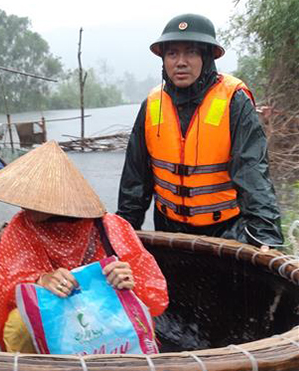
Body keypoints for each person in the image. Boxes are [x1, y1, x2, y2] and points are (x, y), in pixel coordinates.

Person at [0, 141, 168, 353]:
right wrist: (40, 280)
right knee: (17, 325)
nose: (23, 205)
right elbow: (5, 284)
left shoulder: (110, 227)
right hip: (54, 318)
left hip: (108, 320)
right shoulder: (20, 227)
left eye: (32, 198)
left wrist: (128, 281)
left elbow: (154, 294)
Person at [117, 13, 284, 247]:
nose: (181, 62)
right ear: (163, 59)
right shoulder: (153, 104)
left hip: (225, 230)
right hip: (168, 227)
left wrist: (265, 232)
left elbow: (253, 172)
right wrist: (125, 227)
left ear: (207, 57)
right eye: (172, 53)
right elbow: (135, 178)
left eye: (191, 52)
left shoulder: (234, 101)